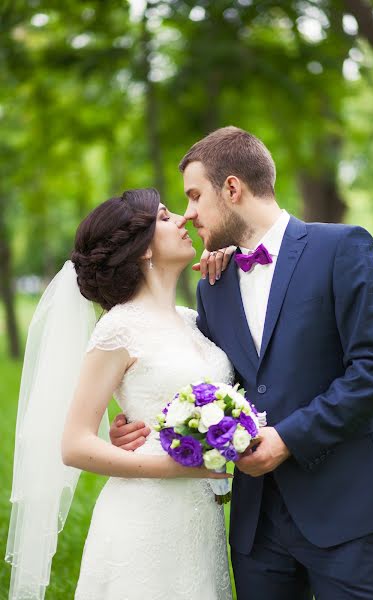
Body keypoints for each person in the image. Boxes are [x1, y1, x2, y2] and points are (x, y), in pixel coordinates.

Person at [111, 127, 373, 599]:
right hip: (256, 529)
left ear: (232, 188)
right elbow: (207, 379)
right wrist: (139, 424)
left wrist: (288, 438)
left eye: (194, 196)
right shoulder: (213, 286)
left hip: (347, 509)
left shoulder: (343, 247)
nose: (188, 214)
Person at [6, 188, 233, 600]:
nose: (183, 219)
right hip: (143, 519)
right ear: (142, 249)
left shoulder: (191, 320)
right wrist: (179, 467)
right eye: (165, 217)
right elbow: (74, 445)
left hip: (199, 522)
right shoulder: (118, 329)